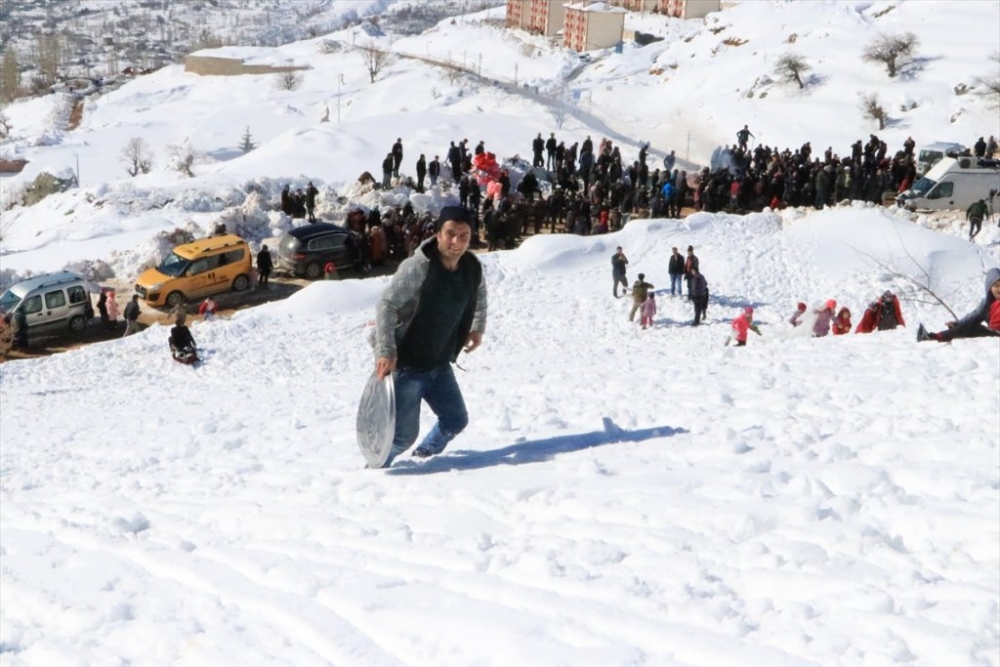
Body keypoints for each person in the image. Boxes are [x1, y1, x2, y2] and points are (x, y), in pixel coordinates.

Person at [372, 206, 488, 468]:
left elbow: (479, 295)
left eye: (463, 236)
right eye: (450, 234)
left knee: (455, 420)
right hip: (406, 365)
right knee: (402, 436)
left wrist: (477, 327)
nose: (456, 242)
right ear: (438, 234)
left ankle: (424, 458)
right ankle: (377, 470)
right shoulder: (419, 267)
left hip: (439, 362)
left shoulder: (471, 267)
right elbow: (387, 305)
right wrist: (385, 351)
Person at [918, 268, 1000, 342]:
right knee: (968, 327)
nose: (999, 289)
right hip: (993, 331)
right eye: (996, 286)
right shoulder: (986, 303)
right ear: (990, 288)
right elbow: (974, 316)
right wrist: (958, 324)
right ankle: (934, 337)